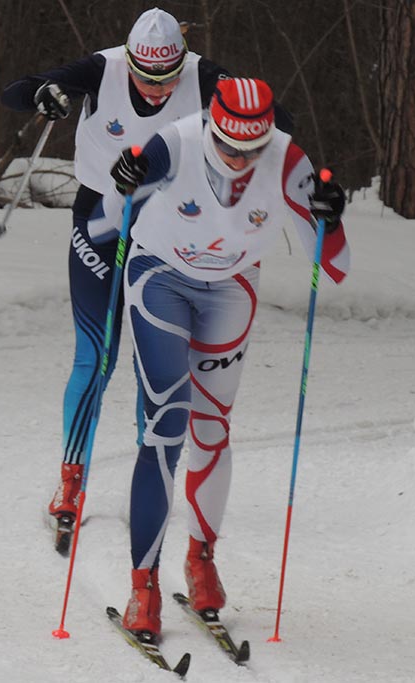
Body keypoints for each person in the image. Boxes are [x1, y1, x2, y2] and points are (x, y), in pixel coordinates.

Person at [0, 8, 291, 552]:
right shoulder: (102, 68)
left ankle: (150, 475)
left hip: (168, 228)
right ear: (130, 59)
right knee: (96, 352)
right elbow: (18, 91)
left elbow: (275, 120)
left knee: (156, 366)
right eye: (145, 77)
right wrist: (45, 93)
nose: (157, 91)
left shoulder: (207, 76)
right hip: (101, 220)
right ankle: (71, 477)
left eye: (167, 78)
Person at [87, 77, 350, 637]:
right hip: (159, 276)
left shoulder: (286, 159)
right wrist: (124, 183)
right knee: (165, 426)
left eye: (252, 149)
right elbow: (106, 219)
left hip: (233, 286)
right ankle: (144, 584)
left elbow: (335, 261)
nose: (238, 159)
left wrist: (330, 213)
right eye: (229, 145)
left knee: (213, 429)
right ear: (211, 123)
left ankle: (201, 557)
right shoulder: (175, 142)